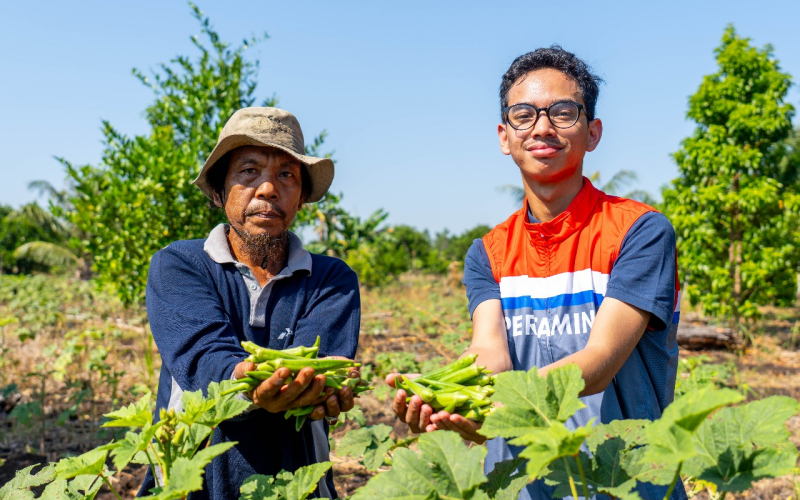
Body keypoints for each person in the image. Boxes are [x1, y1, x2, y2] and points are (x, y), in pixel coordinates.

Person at [389, 46, 684, 500]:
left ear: (593, 132)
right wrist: (452, 399)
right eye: (524, 115)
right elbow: (490, 353)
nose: (542, 127)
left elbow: (600, 361)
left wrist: (497, 402)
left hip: (625, 483)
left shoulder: (640, 232)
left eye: (563, 112)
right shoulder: (487, 253)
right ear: (505, 136)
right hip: (524, 484)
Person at [139, 107, 361, 499]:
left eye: (286, 175)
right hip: (193, 487)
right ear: (219, 190)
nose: (267, 189)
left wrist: (316, 389)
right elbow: (203, 359)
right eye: (248, 172)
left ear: (303, 196)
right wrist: (253, 381)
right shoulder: (179, 265)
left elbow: (317, 372)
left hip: (299, 487)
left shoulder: (331, 279)